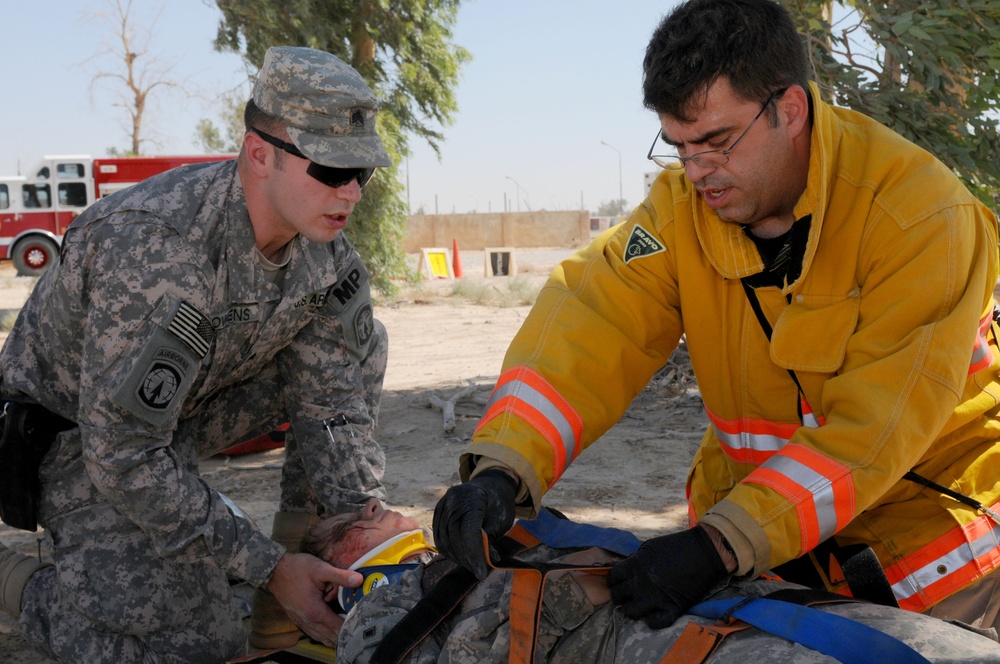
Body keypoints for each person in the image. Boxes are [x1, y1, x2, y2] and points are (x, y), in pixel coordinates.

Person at [432, 0, 1000, 640]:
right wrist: (505, 466)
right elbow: (591, 322)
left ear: (790, 110)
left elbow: (876, 428)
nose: (696, 172)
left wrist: (721, 545)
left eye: (716, 143)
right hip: (765, 550)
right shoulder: (681, 211)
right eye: (678, 147)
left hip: (930, 570)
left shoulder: (922, 219)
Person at [0, 46, 392, 663]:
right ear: (259, 154)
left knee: (359, 348)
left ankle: (297, 583)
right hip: (77, 442)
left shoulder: (326, 257)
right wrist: (265, 565)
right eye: (330, 170)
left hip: (180, 416)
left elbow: (334, 403)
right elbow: (122, 452)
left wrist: (361, 529)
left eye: (362, 174)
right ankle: (21, 584)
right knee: (196, 647)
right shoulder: (158, 250)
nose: (350, 192)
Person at [297, 500, 1000, 663]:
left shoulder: (493, 533)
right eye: (352, 519)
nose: (374, 505)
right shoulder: (377, 610)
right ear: (337, 576)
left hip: (719, 600)